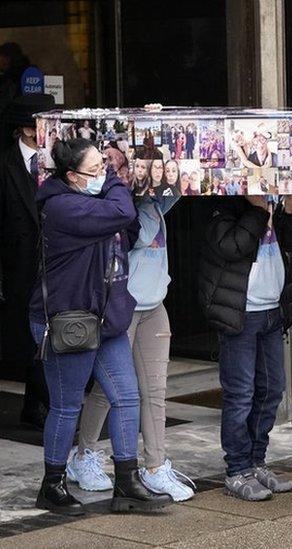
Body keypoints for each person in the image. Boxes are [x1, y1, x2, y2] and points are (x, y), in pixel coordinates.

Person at [29, 138, 171, 515]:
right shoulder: (61, 206)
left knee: (126, 396)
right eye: (96, 170)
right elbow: (122, 213)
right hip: (68, 318)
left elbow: (131, 228)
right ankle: (52, 484)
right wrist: (114, 182)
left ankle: (127, 481)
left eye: (105, 168)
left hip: (105, 316)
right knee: (67, 404)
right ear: (73, 176)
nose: (104, 175)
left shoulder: (92, 200)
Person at [70, 172, 194, 502]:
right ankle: (83, 457)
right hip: (124, 307)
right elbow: (130, 236)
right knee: (108, 389)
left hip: (154, 304)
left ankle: (155, 467)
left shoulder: (156, 201)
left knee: (155, 389)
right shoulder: (119, 208)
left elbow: (184, 183)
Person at [198, 192, 292, 501]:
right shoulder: (220, 202)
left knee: (272, 389)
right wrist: (258, 211)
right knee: (240, 393)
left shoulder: (277, 201)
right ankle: (236, 469)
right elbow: (231, 246)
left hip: (273, 310)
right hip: (239, 313)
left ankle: (256, 461)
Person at [0, 93, 54, 431]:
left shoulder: (58, 161)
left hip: (55, 260)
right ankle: (34, 402)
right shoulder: (5, 165)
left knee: (50, 330)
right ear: (26, 129)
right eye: (40, 124)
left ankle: (40, 402)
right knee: (25, 334)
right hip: (17, 264)